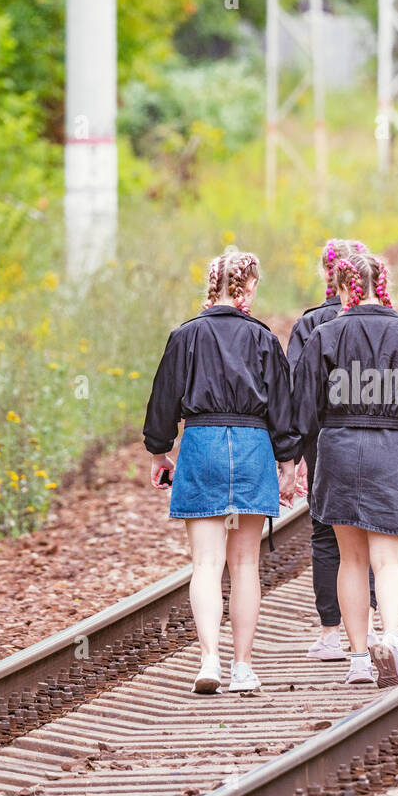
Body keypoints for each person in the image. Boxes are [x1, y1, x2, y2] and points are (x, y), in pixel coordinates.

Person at [292, 252, 398, 687]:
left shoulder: (324, 335)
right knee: (389, 560)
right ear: (383, 285)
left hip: (339, 448)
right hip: (394, 447)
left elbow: (302, 408)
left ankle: (359, 659)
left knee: (351, 559)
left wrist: (292, 459)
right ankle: (393, 640)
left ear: (344, 288)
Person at [143, 250, 298, 695]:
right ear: (248, 288)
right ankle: (242, 667)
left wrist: (159, 452)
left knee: (206, 564)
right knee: (245, 562)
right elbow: (282, 409)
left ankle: (208, 658)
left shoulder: (184, 336)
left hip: (202, 445)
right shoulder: (265, 340)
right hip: (251, 447)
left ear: (212, 286)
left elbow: (163, 400)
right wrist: (287, 463)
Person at [287, 239, 378, 661]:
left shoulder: (311, 325)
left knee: (326, 535)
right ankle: (372, 626)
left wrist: (292, 454)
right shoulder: (382, 321)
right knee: (373, 531)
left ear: (327, 273)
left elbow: (295, 392)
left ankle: (331, 634)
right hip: (375, 436)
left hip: (324, 441)